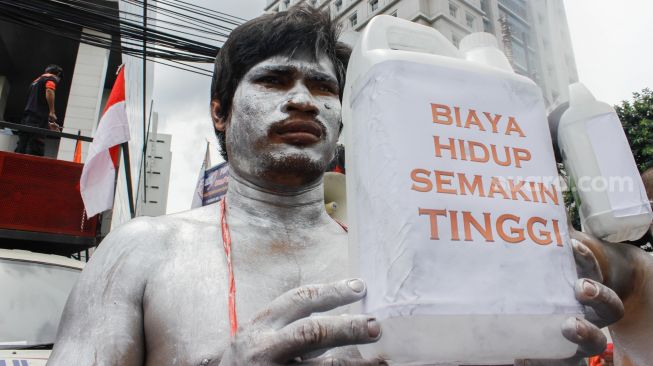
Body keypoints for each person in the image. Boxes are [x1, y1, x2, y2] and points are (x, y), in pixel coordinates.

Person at [49, 6, 623, 365]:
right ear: (220, 112)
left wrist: (536, 346)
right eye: (274, 79)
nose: (302, 99)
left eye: (324, 88)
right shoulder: (142, 250)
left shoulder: (405, 259)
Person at [15, 64, 63, 157]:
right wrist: (52, 112)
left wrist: (47, 123)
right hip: (37, 121)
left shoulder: (35, 82)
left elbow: (35, 104)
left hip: (27, 119)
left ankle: (16, 168)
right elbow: (49, 90)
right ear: (58, 74)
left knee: (22, 146)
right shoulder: (51, 78)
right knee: (36, 148)